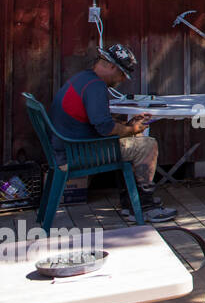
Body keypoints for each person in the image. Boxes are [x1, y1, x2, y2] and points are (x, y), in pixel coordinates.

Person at [51, 44, 176, 222]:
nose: (122, 80)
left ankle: (130, 204)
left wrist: (127, 126)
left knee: (135, 139)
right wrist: (132, 128)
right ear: (111, 66)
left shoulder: (83, 79)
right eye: (122, 74)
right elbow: (105, 128)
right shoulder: (95, 86)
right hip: (77, 152)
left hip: (68, 146)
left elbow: (98, 122)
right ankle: (145, 206)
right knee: (148, 144)